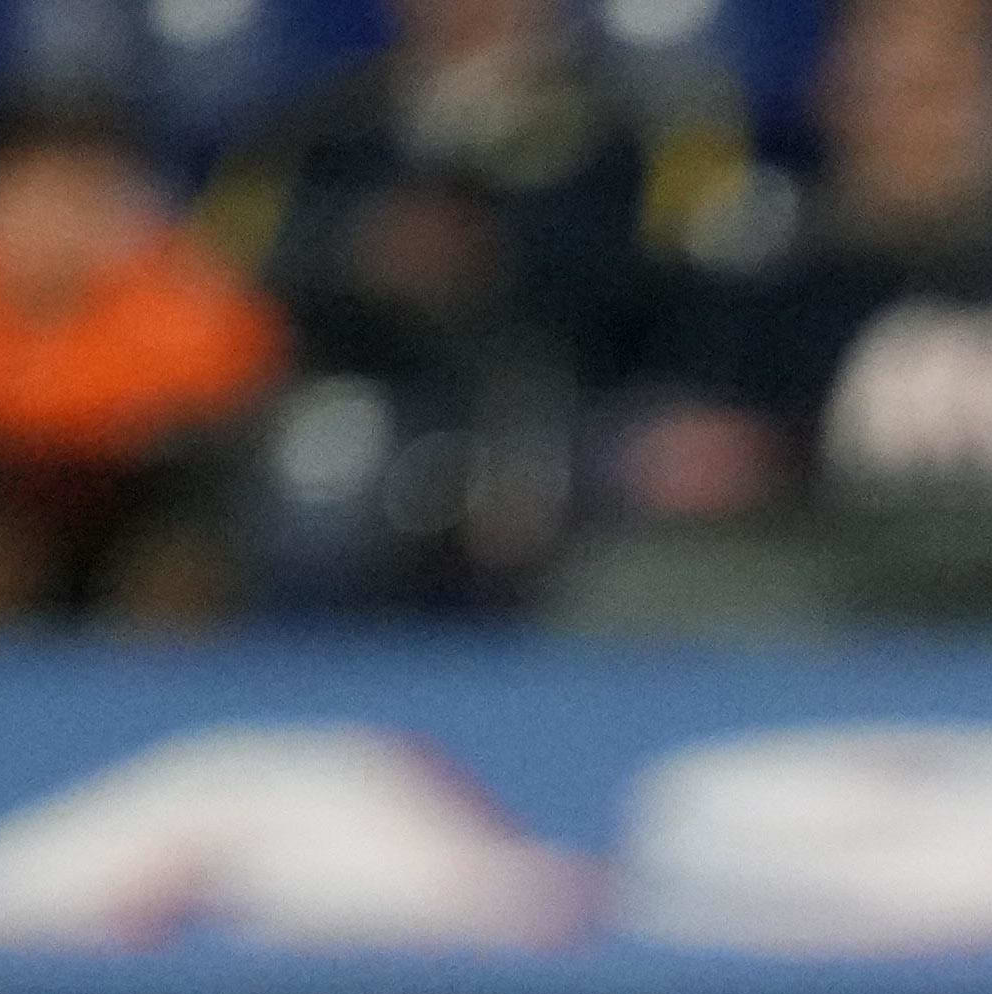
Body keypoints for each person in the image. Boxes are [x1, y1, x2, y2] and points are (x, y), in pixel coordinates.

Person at [574, 0, 992, 630]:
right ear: (833, 99)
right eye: (885, 92)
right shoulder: (770, 282)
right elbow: (692, 454)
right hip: (821, 591)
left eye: (942, 94)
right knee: (630, 590)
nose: (916, 127)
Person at [202, 0, 744, 609]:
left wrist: (501, 253)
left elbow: (693, 283)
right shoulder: (326, 127)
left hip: (585, 406)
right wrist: (361, 254)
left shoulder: (641, 124)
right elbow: (234, 276)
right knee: (314, 471)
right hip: (379, 401)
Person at [0, 95, 291, 624]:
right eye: (23, 195)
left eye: (77, 197)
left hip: (136, 514)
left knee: (179, 561)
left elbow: (215, 409)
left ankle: (169, 697)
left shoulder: (184, 290)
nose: (48, 223)